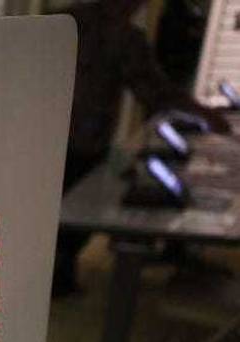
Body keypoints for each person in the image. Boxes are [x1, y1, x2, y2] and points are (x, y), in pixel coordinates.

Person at [54, 0, 232, 297]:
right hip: (82, 141)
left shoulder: (68, 18)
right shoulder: (123, 36)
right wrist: (205, 115)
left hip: (58, 137)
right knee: (74, 214)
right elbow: (156, 92)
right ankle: (57, 277)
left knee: (61, 212)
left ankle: (56, 275)